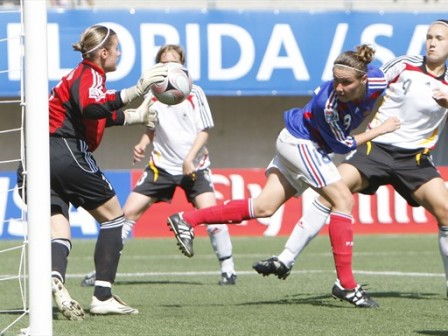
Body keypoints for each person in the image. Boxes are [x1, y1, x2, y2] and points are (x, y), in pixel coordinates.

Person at [166, 44, 401, 307]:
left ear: (364, 79)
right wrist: (379, 130)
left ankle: (187, 219)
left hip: (293, 141)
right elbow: (342, 146)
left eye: (346, 82)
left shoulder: (378, 79)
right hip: (302, 143)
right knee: (343, 200)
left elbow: (398, 68)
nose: (339, 88)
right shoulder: (328, 104)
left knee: (264, 207)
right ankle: (346, 285)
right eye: (336, 80)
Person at [253, 19, 448, 306]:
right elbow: (366, 84)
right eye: (429, 37)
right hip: (377, 149)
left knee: (445, 214)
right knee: (331, 194)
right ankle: (285, 259)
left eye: (440, 38)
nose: (432, 42)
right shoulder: (404, 64)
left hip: (415, 159)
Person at [18, 24, 168, 320]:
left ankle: (55, 277)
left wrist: (132, 117)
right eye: (116, 48)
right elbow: (91, 108)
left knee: (59, 230)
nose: (120, 53)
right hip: (62, 151)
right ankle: (102, 295)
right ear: (103, 53)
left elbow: (92, 112)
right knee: (114, 218)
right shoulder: (89, 74)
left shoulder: (81, 75)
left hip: (33, 157)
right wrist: (135, 91)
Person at [81, 44, 237, 287]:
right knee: (126, 214)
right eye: (163, 64)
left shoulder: (194, 92)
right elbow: (151, 126)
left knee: (212, 216)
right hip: (161, 167)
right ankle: (102, 271)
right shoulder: (154, 94)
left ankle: (228, 269)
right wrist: (143, 143)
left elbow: (204, 131)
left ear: (182, 66)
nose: (169, 68)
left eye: (173, 63)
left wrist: (189, 159)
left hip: (194, 167)